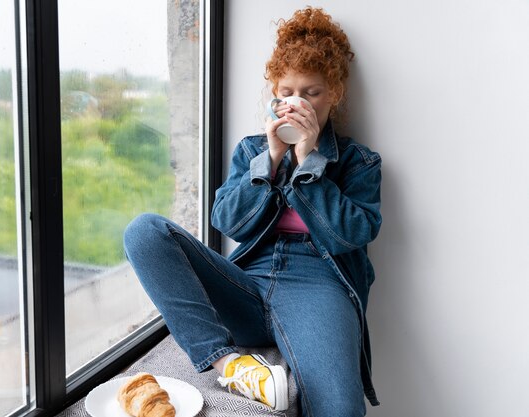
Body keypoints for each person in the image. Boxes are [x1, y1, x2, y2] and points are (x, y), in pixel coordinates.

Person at [124, 7, 381, 416]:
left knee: (342, 409)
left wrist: (310, 162)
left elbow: (351, 234)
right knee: (144, 232)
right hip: (248, 282)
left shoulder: (358, 162)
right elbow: (227, 221)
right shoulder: (252, 151)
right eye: (286, 93)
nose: (297, 103)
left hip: (318, 287)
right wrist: (271, 161)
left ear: (335, 93)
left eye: (311, 93)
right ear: (273, 95)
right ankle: (231, 364)